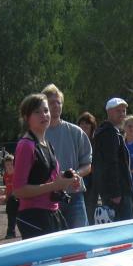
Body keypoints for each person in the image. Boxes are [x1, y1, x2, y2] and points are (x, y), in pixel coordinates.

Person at [12, 93, 79, 239]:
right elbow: (18, 190)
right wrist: (54, 185)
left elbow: (48, 179)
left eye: (46, 110)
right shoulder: (26, 145)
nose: (44, 115)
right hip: (34, 217)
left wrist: (67, 179)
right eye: (37, 112)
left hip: (52, 213)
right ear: (26, 117)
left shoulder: (46, 144)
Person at [42, 84, 92, 229]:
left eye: (59, 102)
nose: (56, 106)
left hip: (74, 195)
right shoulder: (37, 134)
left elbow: (88, 165)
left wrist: (75, 174)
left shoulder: (76, 132)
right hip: (47, 197)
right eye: (52, 102)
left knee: (80, 238)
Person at [91, 97, 133, 221]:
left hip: (113, 191)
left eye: (124, 111)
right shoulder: (109, 133)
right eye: (118, 111)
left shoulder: (111, 131)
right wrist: (115, 192)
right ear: (109, 112)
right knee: (122, 228)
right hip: (116, 194)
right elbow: (110, 164)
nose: (122, 114)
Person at [2, 154, 19, 238]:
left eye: (11, 164)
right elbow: (6, 187)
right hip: (10, 199)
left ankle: (11, 232)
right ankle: (11, 232)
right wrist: (5, 196)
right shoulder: (5, 175)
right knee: (10, 214)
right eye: (7, 164)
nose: (9, 166)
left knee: (20, 216)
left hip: (18, 198)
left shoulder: (18, 174)